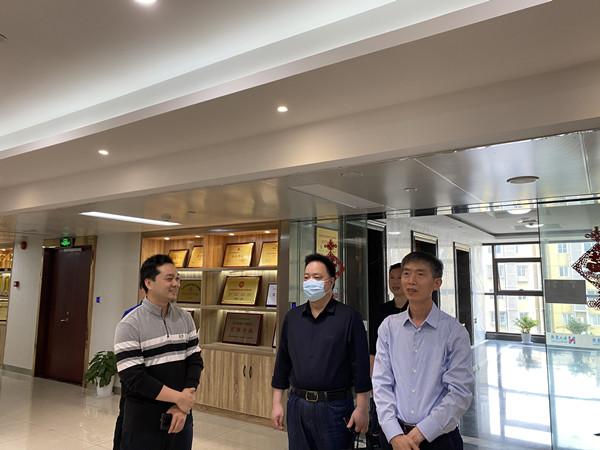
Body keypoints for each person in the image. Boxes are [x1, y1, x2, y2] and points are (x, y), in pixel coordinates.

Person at [372, 252, 473, 450]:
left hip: (439, 438)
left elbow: (459, 393)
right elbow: (381, 382)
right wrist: (394, 434)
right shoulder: (389, 326)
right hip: (395, 436)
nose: (411, 281)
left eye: (420, 274)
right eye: (406, 273)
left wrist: (418, 434)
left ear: (437, 283)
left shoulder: (454, 332)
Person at [271, 253, 372, 450]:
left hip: (334, 407)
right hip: (297, 404)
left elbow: (360, 367)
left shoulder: (349, 317)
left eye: (317, 277)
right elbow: (282, 363)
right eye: (306, 277)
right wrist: (277, 403)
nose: (310, 282)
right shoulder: (293, 317)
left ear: (331, 282)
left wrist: (362, 408)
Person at [114, 254, 203, 450]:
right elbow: (134, 377)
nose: (176, 284)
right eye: (169, 278)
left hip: (180, 419)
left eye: (178, 278)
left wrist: (182, 404)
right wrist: (179, 399)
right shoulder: (130, 324)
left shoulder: (185, 318)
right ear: (149, 283)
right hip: (143, 422)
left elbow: (195, 361)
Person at [367, 262, 408, 448]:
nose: (395, 282)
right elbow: (373, 349)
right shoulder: (381, 311)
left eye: (400, 277)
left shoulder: (415, 309)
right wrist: (372, 381)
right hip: (385, 375)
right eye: (392, 278)